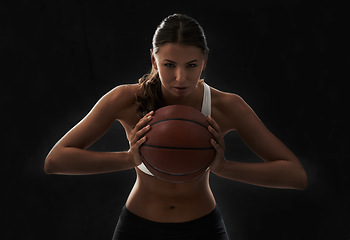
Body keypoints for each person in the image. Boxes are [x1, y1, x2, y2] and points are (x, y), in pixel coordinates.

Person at [44, 14, 307, 240]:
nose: (180, 78)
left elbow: (295, 175)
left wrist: (225, 167)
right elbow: (56, 160)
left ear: (204, 62)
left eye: (191, 65)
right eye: (169, 65)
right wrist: (127, 159)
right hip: (138, 228)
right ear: (153, 59)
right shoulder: (125, 99)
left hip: (203, 228)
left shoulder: (227, 106)